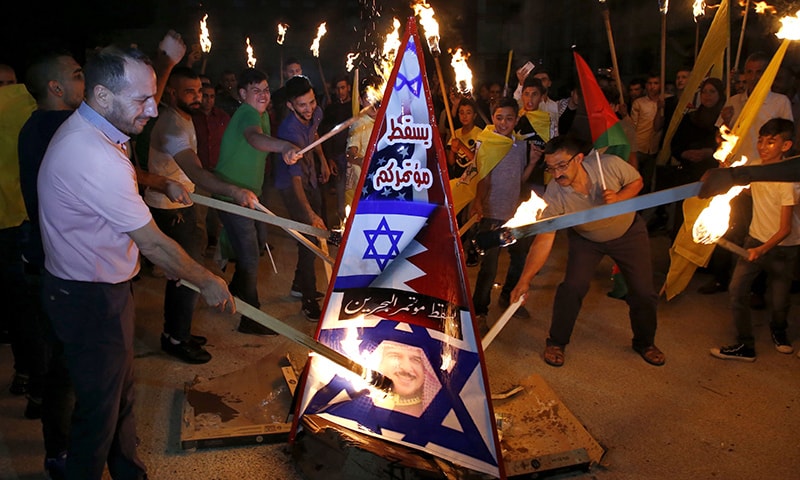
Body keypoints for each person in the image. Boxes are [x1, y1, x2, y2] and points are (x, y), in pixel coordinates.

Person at [37, 45, 235, 480]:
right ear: (104, 95)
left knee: (119, 394)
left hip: (100, 288)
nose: (152, 108)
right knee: (99, 411)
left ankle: (129, 472)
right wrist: (206, 279)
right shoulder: (91, 153)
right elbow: (157, 246)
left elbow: (122, 183)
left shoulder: (99, 131)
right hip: (89, 297)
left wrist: (159, 180)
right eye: (142, 99)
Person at [510, 135, 664, 367]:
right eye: (551, 168)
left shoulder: (608, 165)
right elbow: (545, 238)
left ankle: (645, 342)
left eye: (562, 166)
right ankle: (556, 341)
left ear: (579, 158)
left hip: (628, 233)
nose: (557, 174)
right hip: (587, 239)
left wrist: (619, 198)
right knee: (572, 287)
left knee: (643, 291)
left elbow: (637, 182)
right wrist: (525, 279)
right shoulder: (554, 193)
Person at [146, 66, 261, 363]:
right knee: (187, 274)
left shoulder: (185, 119)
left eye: (199, 91)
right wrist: (234, 191)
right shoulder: (172, 125)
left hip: (183, 204)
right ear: (171, 93)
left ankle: (176, 331)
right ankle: (176, 338)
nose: (197, 97)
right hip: (171, 210)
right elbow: (194, 170)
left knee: (184, 275)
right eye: (189, 91)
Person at [17, 49, 85, 478]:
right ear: (56, 88)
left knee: (60, 355)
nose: (86, 82)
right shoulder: (60, 129)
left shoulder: (37, 127)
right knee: (67, 362)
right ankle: (59, 450)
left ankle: (56, 434)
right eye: (78, 76)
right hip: (64, 263)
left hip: (53, 257)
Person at [214, 67, 300, 335]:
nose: (263, 95)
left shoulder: (260, 115)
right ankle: (251, 318)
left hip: (250, 193)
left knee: (253, 247)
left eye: (265, 89)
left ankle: (237, 291)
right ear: (242, 94)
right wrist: (284, 146)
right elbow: (254, 139)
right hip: (232, 195)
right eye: (255, 90)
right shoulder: (248, 115)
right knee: (250, 254)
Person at [710, 119, 799, 361]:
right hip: (754, 240)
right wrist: (726, 168)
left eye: (771, 142)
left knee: (779, 299)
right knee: (737, 290)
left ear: (786, 145)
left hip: (783, 248)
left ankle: (779, 332)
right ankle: (745, 345)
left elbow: (785, 228)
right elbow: (744, 187)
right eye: (760, 140)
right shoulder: (757, 167)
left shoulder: (787, 182)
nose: (763, 146)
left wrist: (761, 250)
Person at [472, 98, 537, 330]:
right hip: (491, 213)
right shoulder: (486, 143)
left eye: (509, 118)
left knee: (519, 258)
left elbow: (519, 179)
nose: (503, 123)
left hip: (514, 214)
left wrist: (534, 162)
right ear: (493, 117)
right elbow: (483, 176)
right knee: (489, 266)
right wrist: (479, 202)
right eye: (499, 117)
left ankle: (508, 296)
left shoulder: (520, 146)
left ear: (516, 120)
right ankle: (479, 311)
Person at [275, 75, 330, 320]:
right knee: (308, 240)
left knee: (314, 237)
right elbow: (294, 180)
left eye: (311, 102)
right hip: (291, 184)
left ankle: (299, 285)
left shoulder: (315, 113)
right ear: (290, 105)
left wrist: (323, 161)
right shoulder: (288, 130)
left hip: (310, 176)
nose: (309, 109)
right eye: (302, 105)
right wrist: (309, 213)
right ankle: (308, 299)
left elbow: (315, 135)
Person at [192, 82, 230, 249]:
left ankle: (217, 249)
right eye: (205, 96)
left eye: (212, 96)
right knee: (199, 216)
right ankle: (200, 250)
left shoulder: (222, 118)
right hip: (200, 173)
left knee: (221, 215)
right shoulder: (192, 117)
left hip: (220, 172)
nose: (208, 100)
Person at [372, 340, 439, 417]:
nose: (406, 368)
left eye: (416, 359)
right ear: (380, 361)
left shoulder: (435, 416)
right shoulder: (361, 403)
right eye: (395, 356)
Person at [319, 73, 352, 226]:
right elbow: (327, 135)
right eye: (338, 88)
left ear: (349, 88)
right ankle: (342, 227)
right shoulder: (331, 110)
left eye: (343, 87)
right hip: (339, 158)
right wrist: (330, 158)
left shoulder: (356, 108)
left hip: (356, 159)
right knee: (341, 197)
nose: (340, 91)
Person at [630, 74, 661, 194]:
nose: (652, 86)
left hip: (654, 148)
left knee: (647, 183)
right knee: (634, 180)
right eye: (650, 83)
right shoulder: (639, 103)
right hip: (639, 146)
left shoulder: (665, 102)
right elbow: (633, 125)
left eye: (656, 83)